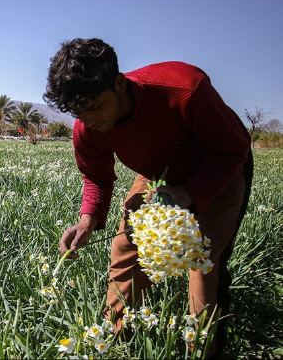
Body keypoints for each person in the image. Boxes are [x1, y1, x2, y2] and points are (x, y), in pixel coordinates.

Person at [43, 38, 252, 358]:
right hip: (159, 174)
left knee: (202, 262)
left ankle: (203, 350)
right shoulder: (87, 126)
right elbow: (97, 176)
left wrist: (189, 194)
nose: (89, 121)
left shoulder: (185, 89)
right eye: (79, 112)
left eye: (96, 107)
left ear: (119, 83)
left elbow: (233, 149)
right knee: (124, 246)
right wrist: (88, 219)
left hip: (218, 167)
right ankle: (112, 342)